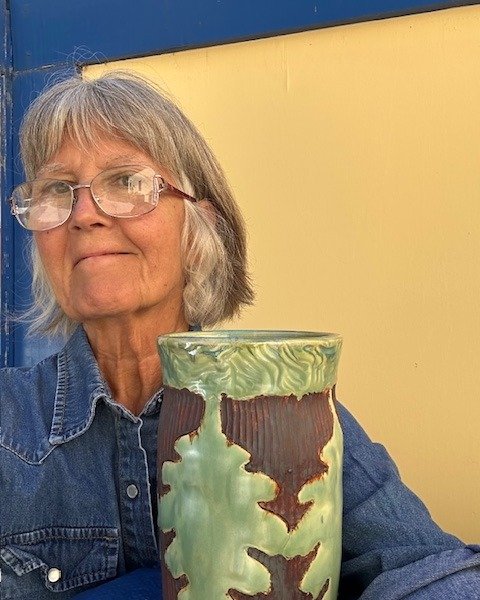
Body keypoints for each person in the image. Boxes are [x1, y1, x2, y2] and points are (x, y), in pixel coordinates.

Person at [0, 72, 478, 600]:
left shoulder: (286, 405)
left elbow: (435, 571)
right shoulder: (8, 425)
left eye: (126, 182)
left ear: (198, 228)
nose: (84, 215)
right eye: (57, 191)